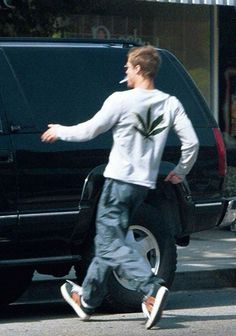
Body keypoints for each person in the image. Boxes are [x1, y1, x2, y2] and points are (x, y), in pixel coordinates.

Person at [41, 45, 199, 329]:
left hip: (117, 184)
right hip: (142, 186)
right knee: (108, 242)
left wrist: (59, 130)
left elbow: (89, 130)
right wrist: (180, 170)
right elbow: (192, 142)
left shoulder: (120, 100)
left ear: (139, 68)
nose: (125, 72)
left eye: (127, 67)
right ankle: (87, 299)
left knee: (110, 242)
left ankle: (151, 289)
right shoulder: (170, 102)